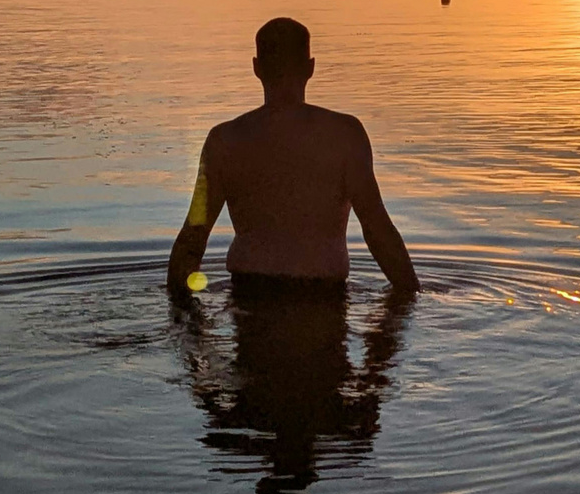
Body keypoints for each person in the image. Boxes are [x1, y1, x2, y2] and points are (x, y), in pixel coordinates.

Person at [167, 17, 419, 304]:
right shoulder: (345, 135)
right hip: (323, 298)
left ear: (256, 68)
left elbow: (193, 236)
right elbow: (378, 230)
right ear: (310, 67)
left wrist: (178, 310)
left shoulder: (223, 141)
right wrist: (412, 295)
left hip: (249, 296)